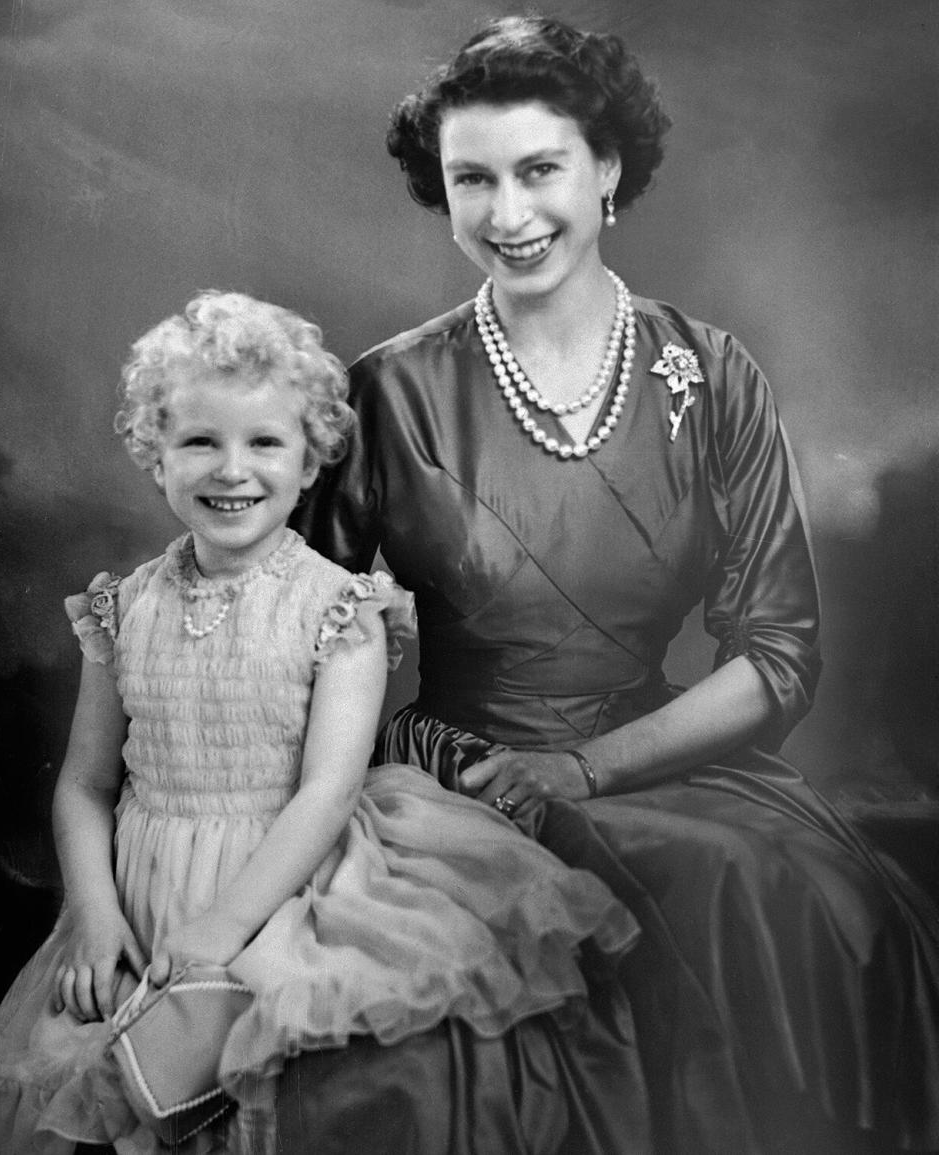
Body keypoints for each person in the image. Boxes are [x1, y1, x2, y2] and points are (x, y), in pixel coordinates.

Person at [295, 15, 939, 1154]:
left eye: (540, 170)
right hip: (462, 783)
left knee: (823, 914)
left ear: (608, 170)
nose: (508, 215)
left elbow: (779, 658)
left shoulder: (715, 373)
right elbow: (284, 630)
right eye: (471, 181)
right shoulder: (385, 396)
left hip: (653, 759)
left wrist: (585, 768)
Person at [0, 291, 648, 1154]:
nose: (232, 470)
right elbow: (85, 781)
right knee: (96, 1090)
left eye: (265, 443)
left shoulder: (341, 610)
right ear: (155, 455)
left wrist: (225, 925)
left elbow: (328, 792)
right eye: (199, 442)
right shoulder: (123, 607)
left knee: (298, 1089)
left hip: (290, 882)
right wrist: (94, 908)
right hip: (143, 890)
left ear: (307, 462)